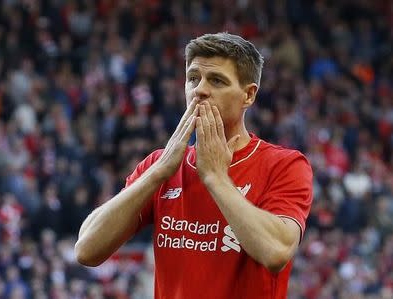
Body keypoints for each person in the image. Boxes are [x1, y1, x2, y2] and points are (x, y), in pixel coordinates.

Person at [75, 32, 313, 299]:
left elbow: (277, 251)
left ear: (248, 95)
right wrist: (158, 173)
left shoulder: (284, 165)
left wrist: (216, 178)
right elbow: (86, 249)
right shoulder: (161, 166)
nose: (200, 89)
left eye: (217, 80)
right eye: (193, 78)